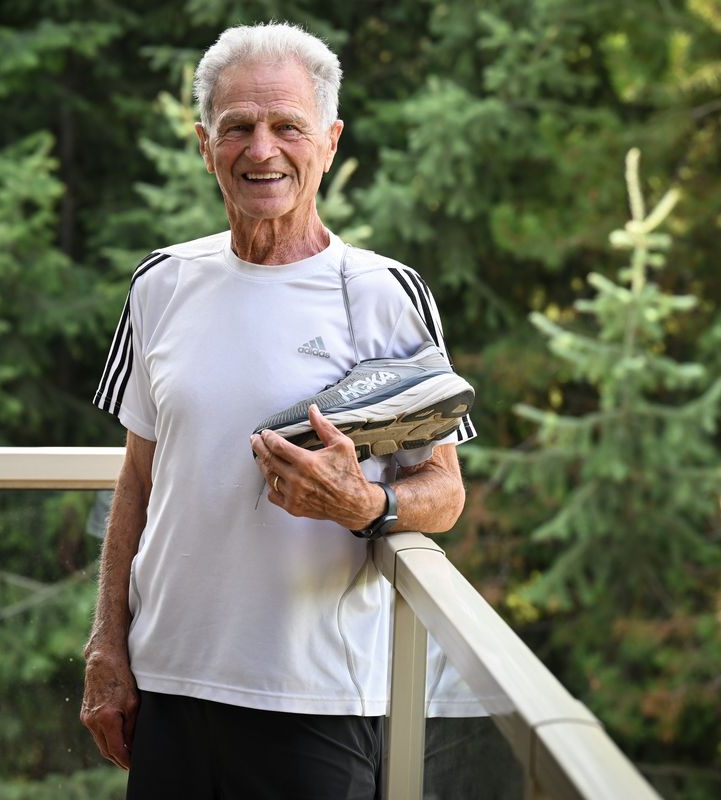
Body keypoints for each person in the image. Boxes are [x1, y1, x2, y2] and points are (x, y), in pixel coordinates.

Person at [81, 21, 474, 799]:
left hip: (314, 700)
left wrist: (366, 503)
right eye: (238, 128)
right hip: (167, 686)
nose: (262, 150)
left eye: (287, 126)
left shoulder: (383, 295)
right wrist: (107, 643)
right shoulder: (160, 283)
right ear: (205, 144)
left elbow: (447, 492)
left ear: (327, 142)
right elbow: (137, 479)